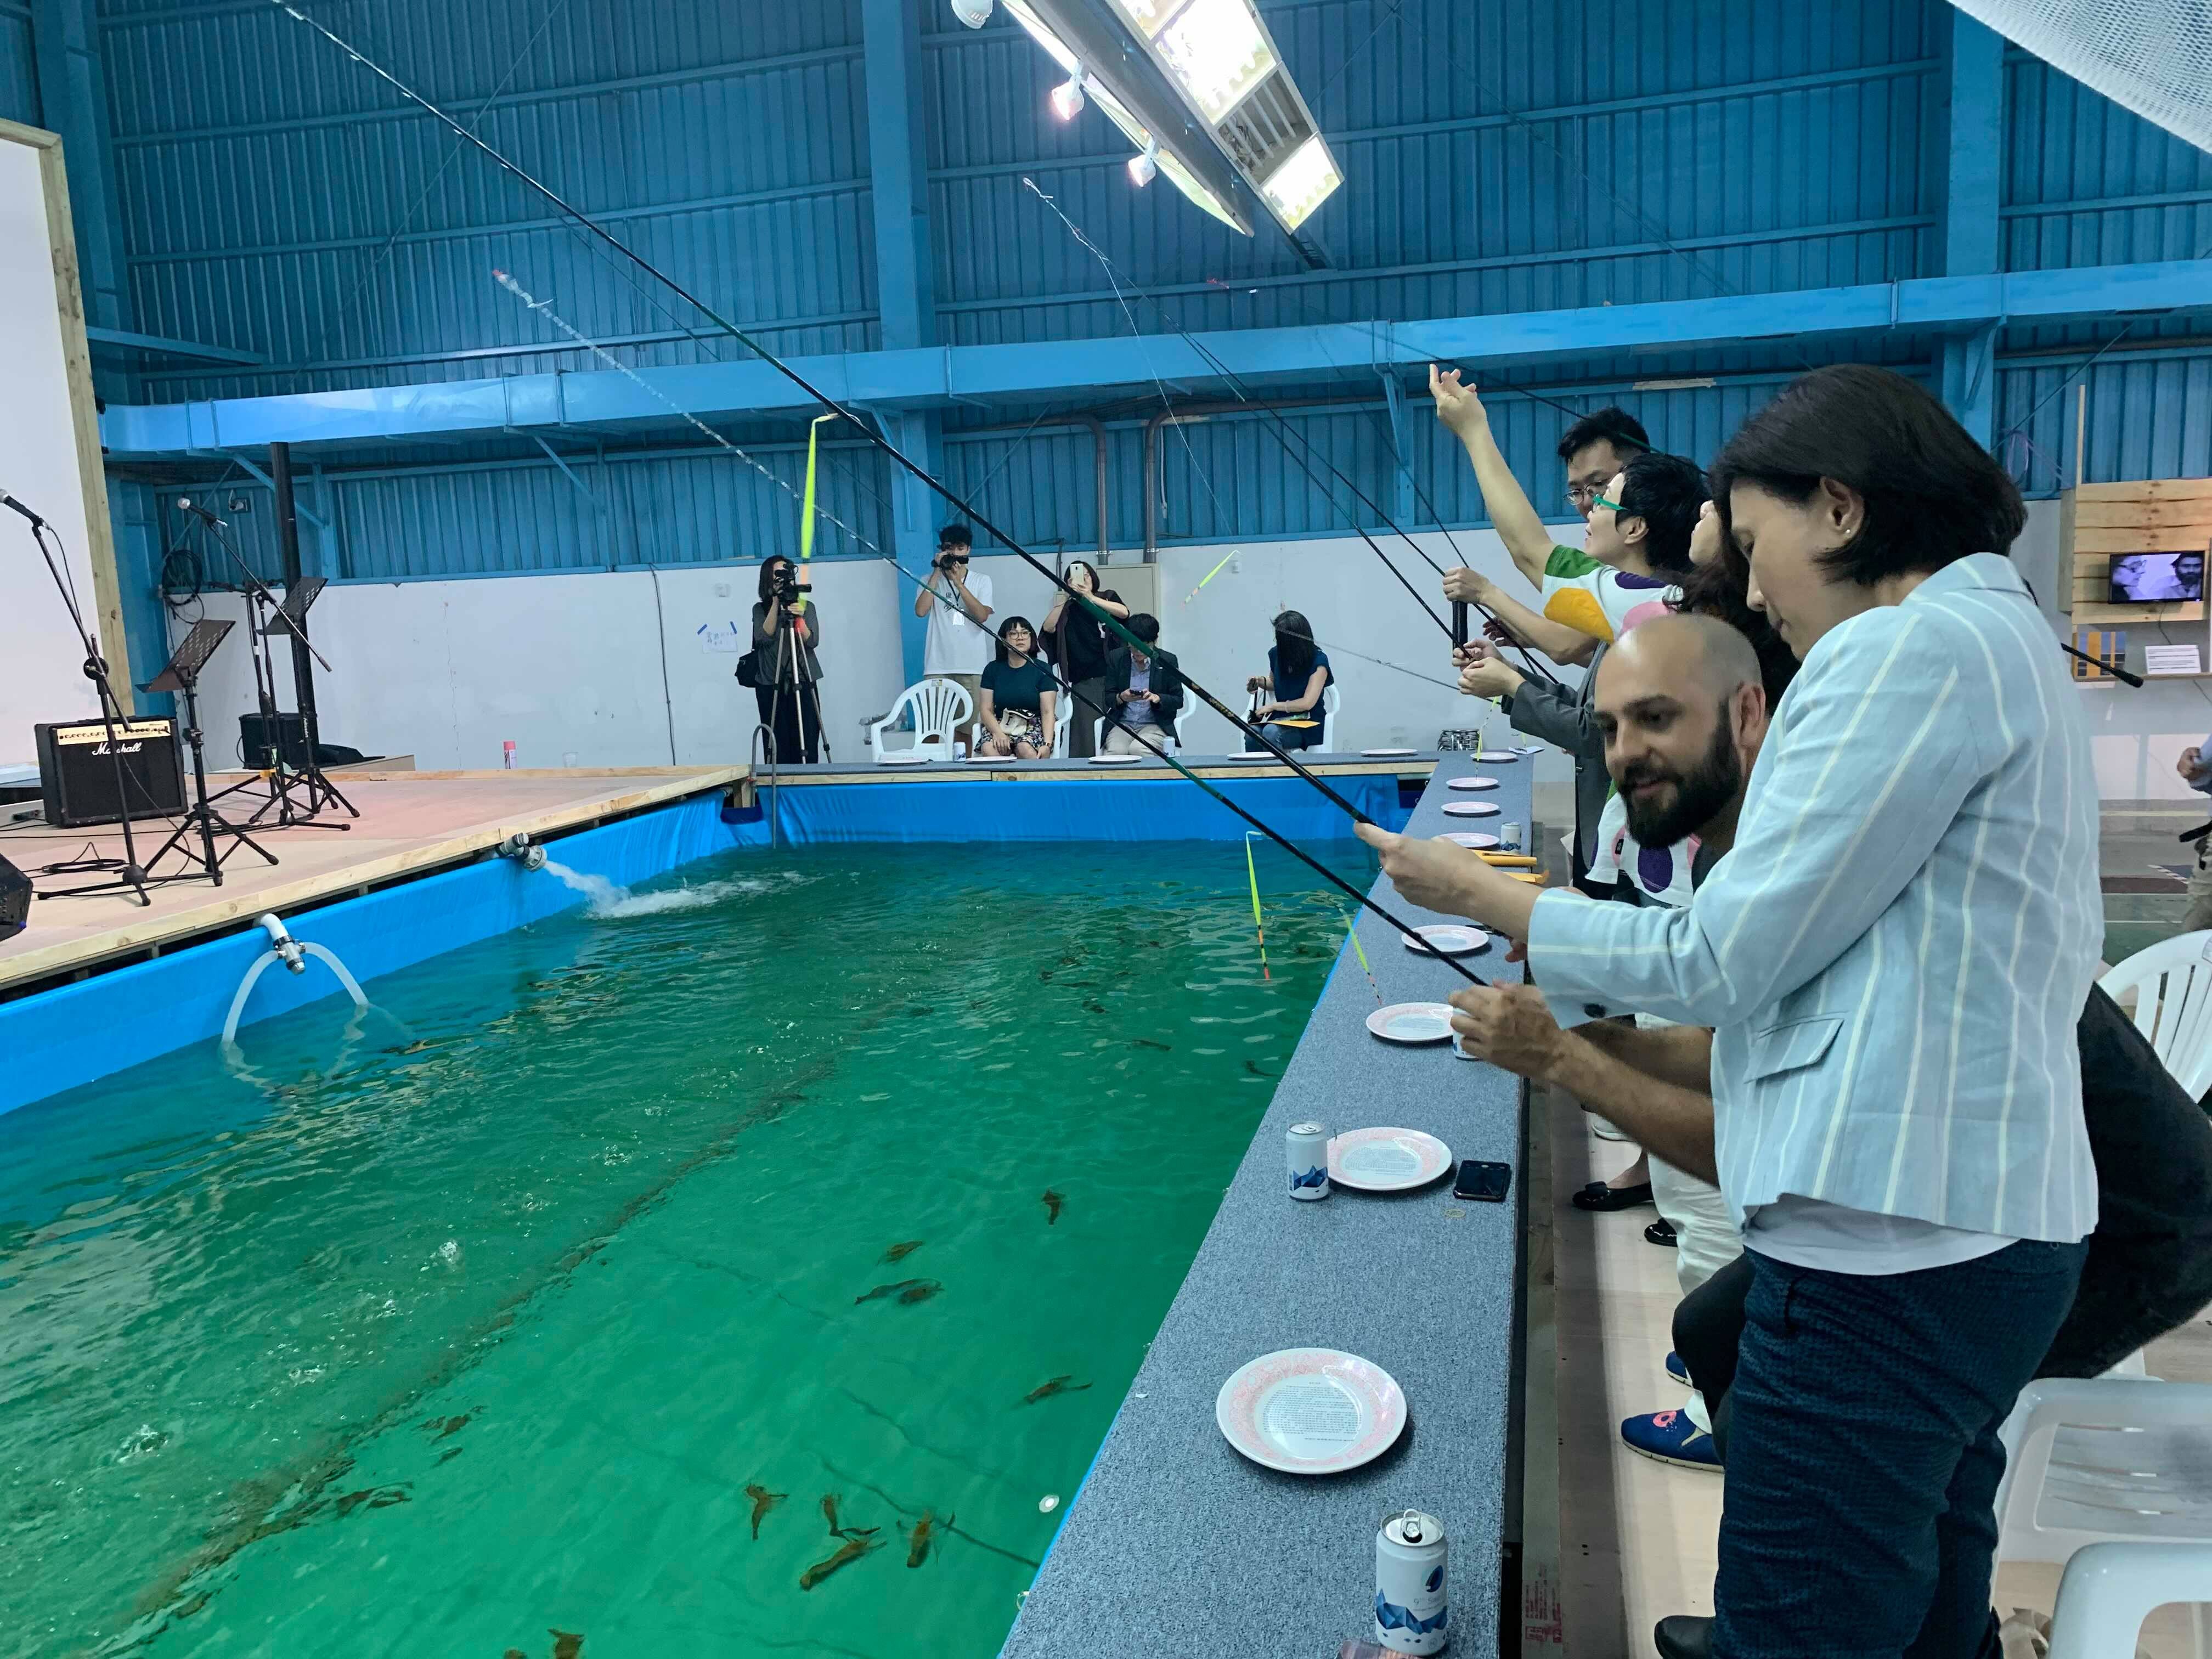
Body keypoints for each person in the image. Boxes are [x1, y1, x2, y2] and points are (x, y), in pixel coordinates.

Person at [1361, 364, 2101, 1659]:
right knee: (1929, 1583)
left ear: (1839, 508)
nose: (1752, 592)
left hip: (1897, 1258)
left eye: (1755, 548)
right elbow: (1799, 966)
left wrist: (1494, 898)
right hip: (1975, 1231)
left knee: (1799, 1628)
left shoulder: (1907, 648)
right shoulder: (2002, 636)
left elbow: (1724, 953)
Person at [1448, 612, 2212, 1659]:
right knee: (1724, 1328)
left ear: (1764, 719)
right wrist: (1609, 1039)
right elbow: (1745, 1052)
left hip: (2120, 1236)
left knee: (1877, 1449)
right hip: (2014, 1212)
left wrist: (1563, 1056)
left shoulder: (1833, 868)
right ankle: (1939, 1626)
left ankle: (1838, 1598)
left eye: (1654, 718)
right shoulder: (1782, 864)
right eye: (1613, 724)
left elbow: (1760, 1149)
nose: (1624, 752)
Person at [912, 523, 994, 751]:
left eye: (960, 548)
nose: (955, 554)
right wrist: (938, 571)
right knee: (932, 727)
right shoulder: (929, 579)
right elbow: (920, 611)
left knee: (966, 728)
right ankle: (928, 774)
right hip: (938, 664)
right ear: (942, 550)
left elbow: (981, 616)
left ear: (968, 550)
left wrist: (958, 582)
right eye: (949, 548)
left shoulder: (981, 580)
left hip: (973, 666)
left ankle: (963, 771)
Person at [1040, 561, 1128, 759]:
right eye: (1078, 576)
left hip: (1114, 677)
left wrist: (1090, 597)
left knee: (1118, 733)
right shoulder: (1068, 608)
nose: (1084, 578)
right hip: (1084, 680)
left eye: (1087, 574)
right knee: (1086, 735)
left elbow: (1124, 612)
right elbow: (1048, 629)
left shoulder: (1107, 596)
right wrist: (1065, 596)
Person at [749, 556, 823, 765]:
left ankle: (808, 782)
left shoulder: (807, 607)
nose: (783, 580)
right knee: (777, 740)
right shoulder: (759, 609)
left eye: (786, 574)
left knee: (808, 736)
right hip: (771, 681)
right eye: (778, 574)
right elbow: (764, 637)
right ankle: (778, 785)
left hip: (803, 678)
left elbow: (813, 641)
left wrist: (798, 617)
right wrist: (775, 603)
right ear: (768, 579)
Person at [1244, 611, 1331, 751]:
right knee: (1252, 734)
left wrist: (1273, 706)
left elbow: (1307, 703)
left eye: (1281, 638)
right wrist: (1259, 681)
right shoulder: (1276, 654)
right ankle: (1257, 772)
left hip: (1308, 722)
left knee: (1271, 733)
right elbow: (1274, 682)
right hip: (1281, 720)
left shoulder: (1319, 661)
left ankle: (1279, 773)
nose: (1277, 641)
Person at [1099, 614, 1183, 755]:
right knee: (1116, 751)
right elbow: (1108, 697)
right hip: (1123, 723)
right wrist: (1121, 698)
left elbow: (1178, 700)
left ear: (1155, 641)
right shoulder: (1117, 658)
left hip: (1155, 725)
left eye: (1144, 646)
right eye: (1134, 645)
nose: (1138, 651)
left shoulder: (1167, 660)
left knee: (1139, 749)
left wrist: (1158, 698)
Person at [977, 616, 1058, 760]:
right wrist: (998, 733)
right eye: (1013, 634)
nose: (1020, 638)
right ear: (1004, 640)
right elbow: (986, 709)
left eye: (1025, 633)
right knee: (989, 748)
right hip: (1002, 723)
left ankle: (1030, 782)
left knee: (1024, 748)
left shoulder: (1043, 669)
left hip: (1033, 724)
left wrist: (1047, 744)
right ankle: (1004, 782)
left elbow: (1047, 712)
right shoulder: (992, 669)